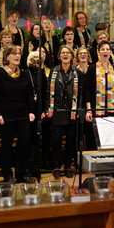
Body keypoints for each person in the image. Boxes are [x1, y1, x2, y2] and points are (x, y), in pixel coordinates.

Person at [0, 45, 36, 183]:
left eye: (19, 54)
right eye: (14, 53)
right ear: (6, 57)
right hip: (6, 116)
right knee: (7, 145)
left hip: (22, 114)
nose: (17, 56)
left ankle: (21, 173)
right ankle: (7, 174)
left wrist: (31, 111)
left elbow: (28, 94)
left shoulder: (24, 73)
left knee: (24, 144)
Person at [47, 45, 80, 178]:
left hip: (71, 111)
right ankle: (56, 166)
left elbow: (81, 93)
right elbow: (47, 92)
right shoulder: (54, 71)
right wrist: (48, 108)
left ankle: (67, 167)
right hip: (57, 110)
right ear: (59, 55)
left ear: (72, 56)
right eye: (63, 53)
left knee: (71, 141)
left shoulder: (77, 72)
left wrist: (79, 109)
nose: (65, 55)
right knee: (56, 140)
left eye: (68, 53)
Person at [83, 41, 114, 149]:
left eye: (107, 49)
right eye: (102, 49)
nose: (105, 51)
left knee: (110, 139)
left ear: (110, 52)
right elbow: (87, 90)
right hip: (96, 111)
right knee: (94, 139)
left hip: (112, 111)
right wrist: (89, 110)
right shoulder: (92, 68)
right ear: (98, 52)